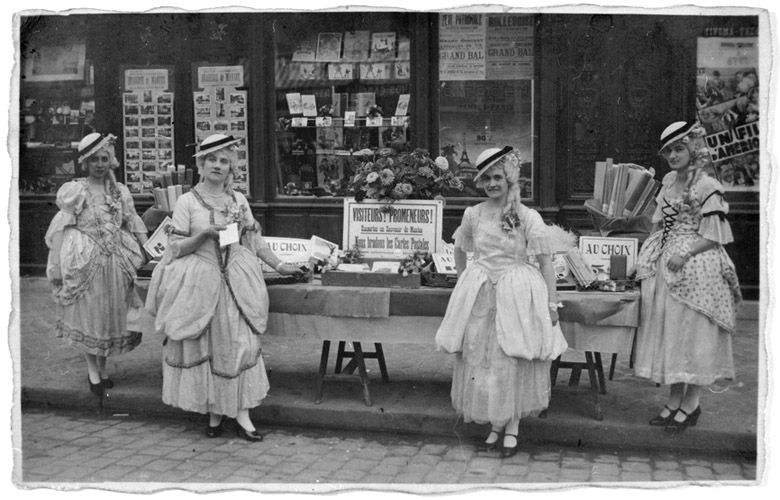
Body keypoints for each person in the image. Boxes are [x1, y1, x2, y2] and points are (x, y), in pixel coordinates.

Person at [145, 134, 303, 441]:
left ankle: (242, 413)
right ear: (201, 165)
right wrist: (204, 234)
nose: (218, 165)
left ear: (231, 168)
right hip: (200, 281)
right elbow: (175, 247)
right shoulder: (187, 202)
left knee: (239, 345)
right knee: (211, 347)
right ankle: (215, 413)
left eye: (224, 161)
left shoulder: (238, 200)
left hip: (236, 279)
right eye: (212, 160)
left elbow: (253, 241)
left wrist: (281, 266)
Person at [435, 146, 568, 458]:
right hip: (482, 295)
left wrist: (552, 306)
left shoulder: (527, 216)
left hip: (516, 294)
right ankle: (495, 422)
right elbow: (460, 248)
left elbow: (546, 263)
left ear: (509, 179)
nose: (492, 184)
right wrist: (465, 280)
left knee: (512, 358)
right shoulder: (474, 213)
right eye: (486, 179)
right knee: (483, 360)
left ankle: (512, 427)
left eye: (497, 177)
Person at [634, 121, 742, 433]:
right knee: (672, 336)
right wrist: (649, 255)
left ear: (692, 148)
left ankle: (691, 403)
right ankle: (673, 400)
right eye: (668, 151)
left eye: (679, 148)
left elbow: (715, 235)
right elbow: (658, 224)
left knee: (692, 336)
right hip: (666, 266)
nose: (673, 155)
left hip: (696, 265)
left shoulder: (707, 185)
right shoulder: (669, 182)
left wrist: (686, 254)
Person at [44, 132, 148, 398]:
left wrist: (147, 249)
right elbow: (61, 227)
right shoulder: (76, 190)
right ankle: (93, 370)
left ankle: (103, 369)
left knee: (110, 316)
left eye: (104, 159)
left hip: (116, 262)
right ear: (86, 163)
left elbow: (133, 221)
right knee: (90, 315)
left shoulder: (119, 190)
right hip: (87, 262)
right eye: (94, 160)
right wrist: (55, 262)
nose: (100, 164)